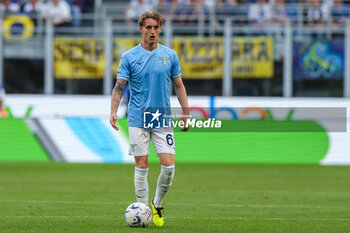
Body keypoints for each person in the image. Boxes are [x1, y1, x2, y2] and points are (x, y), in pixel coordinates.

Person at [110, 11, 189, 227]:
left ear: (160, 29)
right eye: (148, 28)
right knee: (142, 164)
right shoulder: (129, 57)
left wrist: (185, 112)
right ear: (141, 29)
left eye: (156, 28)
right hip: (137, 118)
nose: (152, 31)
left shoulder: (170, 55)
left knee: (169, 166)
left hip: (162, 118)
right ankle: (143, 209)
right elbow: (119, 86)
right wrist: (114, 110)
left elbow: (179, 85)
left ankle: (157, 203)